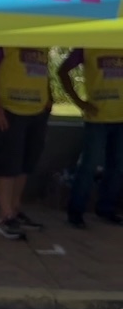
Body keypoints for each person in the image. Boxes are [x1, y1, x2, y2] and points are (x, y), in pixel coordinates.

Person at [0, 46, 52, 241]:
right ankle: (5, 216)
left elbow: (43, 71)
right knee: (7, 164)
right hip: (10, 112)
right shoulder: (2, 39)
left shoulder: (43, 42)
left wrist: (49, 99)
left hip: (37, 112)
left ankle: (15, 209)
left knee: (25, 165)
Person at [57, 48, 123, 229]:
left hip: (121, 119)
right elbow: (62, 71)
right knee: (88, 165)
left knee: (118, 167)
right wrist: (79, 102)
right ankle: (75, 212)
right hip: (97, 119)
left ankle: (107, 209)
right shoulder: (87, 46)